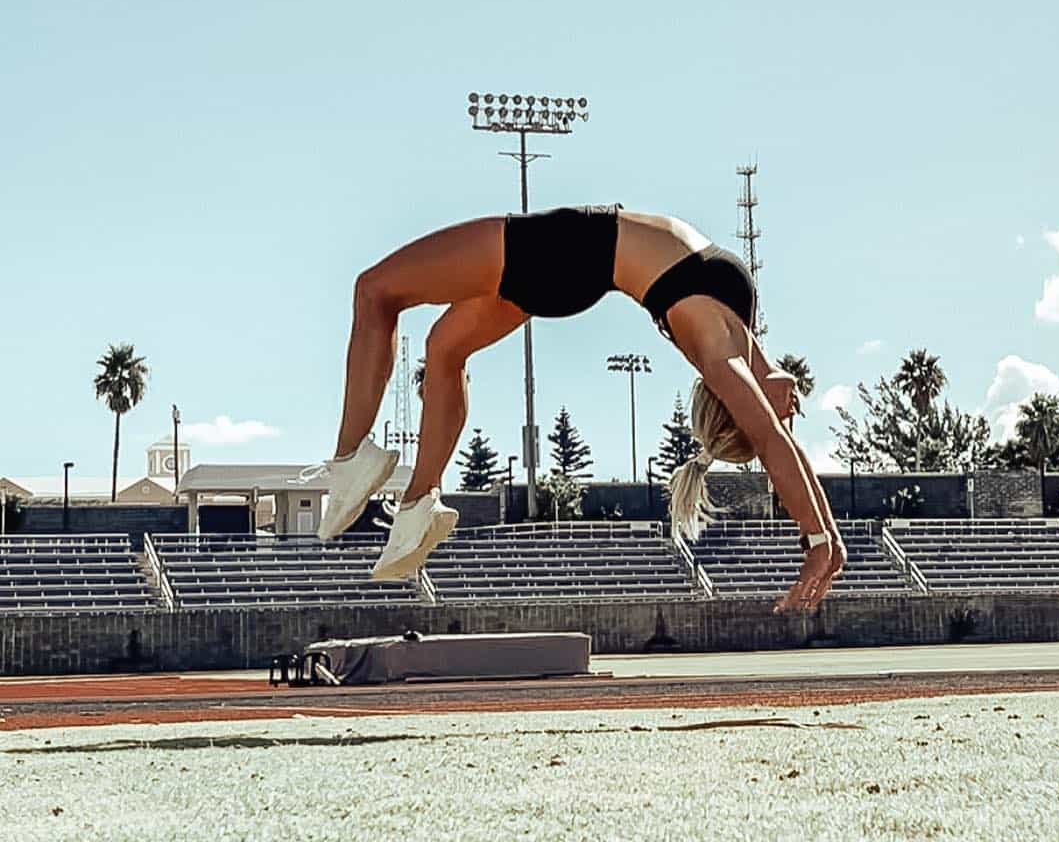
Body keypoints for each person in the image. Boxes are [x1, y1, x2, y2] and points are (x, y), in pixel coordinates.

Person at [308, 205, 846, 611]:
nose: (791, 411)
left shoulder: (715, 349)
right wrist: (830, 536)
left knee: (374, 290)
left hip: (566, 250)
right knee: (445, 350)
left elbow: (773, 439)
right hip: (572, 269)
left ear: (732, 404)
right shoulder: (741, 335)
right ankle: (419, 502)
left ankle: (350, 458)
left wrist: (816, 540)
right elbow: (781, 437)